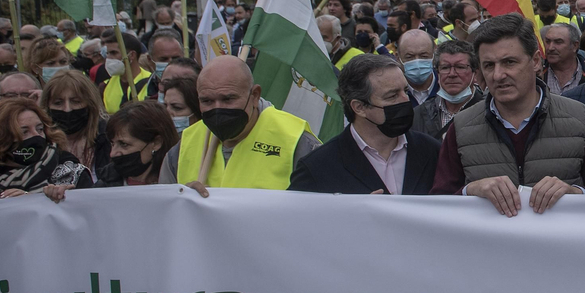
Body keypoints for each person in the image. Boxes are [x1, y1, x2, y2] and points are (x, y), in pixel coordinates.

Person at [431, 13, 585, 212]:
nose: (498, 75)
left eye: (509, 62)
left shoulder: (579, 120)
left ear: (535, 61)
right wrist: (469, 191)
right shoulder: (462, 127)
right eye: (489, 65)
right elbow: (437, 205)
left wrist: (575, 193)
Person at [161, 55, 319, 192]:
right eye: (207, 101)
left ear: (255, 96)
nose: (218, 109)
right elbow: (165, 214)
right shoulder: (183, 148)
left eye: (228, 99)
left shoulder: (297, 143)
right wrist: (183, 201)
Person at [290, 54, 442, 195]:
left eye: (406, 91)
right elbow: (297, 219)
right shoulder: (318, 167)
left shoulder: (433, 152)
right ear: (359, 107)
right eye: (392, 96)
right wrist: (355, 213)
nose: (405, 100)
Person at [0, 99, 86, 217]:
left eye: (40, 129)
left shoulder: (69, 172)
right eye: (24, 132)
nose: (37, 136)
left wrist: (38, 201)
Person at [43, 69, 109, 183]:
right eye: (58, 103)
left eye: (76, 101)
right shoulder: (42, 144)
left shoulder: (109, 138)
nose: (67, 109)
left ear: (90, 104)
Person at [100, 102, 179, 187]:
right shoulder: (103, 185)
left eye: (124, 144)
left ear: (156, 143)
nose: (112, 153)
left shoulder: (179, 184)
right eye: (112, 144)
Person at [415, 39, 478, 138]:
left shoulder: (490, 112)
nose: (452, 74)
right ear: (437, 73)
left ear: (475, 74)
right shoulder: (418, 115)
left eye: (460, 67)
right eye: (445, 68)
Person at [99, 35, 150, 112]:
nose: (109, 58)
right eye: (107, 53)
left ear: (132, 55)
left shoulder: (151, 83)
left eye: (114, 53)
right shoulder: (105, 86)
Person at [540, 22, 585, 96]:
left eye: (558, 42)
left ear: (575, 46)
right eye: (547, 42)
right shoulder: (536, 74)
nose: (550, 48)